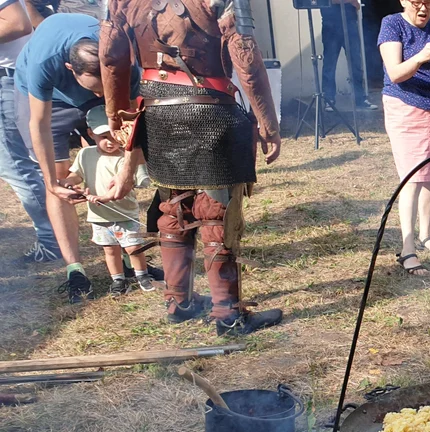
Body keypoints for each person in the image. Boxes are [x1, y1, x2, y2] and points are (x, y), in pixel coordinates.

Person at [100, 0, 284, 334]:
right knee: (217, 213)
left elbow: (111, 57)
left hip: (155, 111)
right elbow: (247, 61)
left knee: (174, 208)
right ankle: (227, 315)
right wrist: (268, 123)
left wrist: (116, 116)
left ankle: (179, 302)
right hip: (211, 107)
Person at [14, 14, 120, 302]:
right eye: (94, 87)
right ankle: (75, 270)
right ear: (71, 68)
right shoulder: (43, 63)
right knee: (60, 178)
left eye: (102, 86)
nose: (99, 93)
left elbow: (133, 111)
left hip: (101, 73)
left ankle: (123, 258)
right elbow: (39, 124)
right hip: (49, 99)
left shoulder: (117, 45)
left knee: (111, 157)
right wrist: (51, 182)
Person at [378, 0, 430, 276]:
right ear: (404, 1)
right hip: (404, 107)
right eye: (418, 3)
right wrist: (422, 56)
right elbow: (395, 73)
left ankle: (426, 235)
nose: (424, 9)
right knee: (411, 178)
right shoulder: (392, 24)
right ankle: (408, 249)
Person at [65, 106, 155, 296]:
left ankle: (142, 275)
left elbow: (130, 184)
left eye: (113, 135)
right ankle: (118, 280)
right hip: (99, 217)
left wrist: (104, 197)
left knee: (133, 248)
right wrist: (68, 183)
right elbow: (75, 175)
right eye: (103, 136)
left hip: (125, 213)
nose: (110, 141)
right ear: (90, 134)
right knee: (110, 250)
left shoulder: (128, 156)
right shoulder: (85, 154)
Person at [0, 0, 58, 264]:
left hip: (6, 79)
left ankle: (52, 241)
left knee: (15, 165)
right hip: (15, 75)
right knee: (23, 163)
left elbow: (18, 24)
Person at [322, 0, 377, 112]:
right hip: (331, 26)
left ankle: (360, 99)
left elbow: (357, 5)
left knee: (356, 63)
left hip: (350, 24)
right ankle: (329, 100)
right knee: (330, 65)